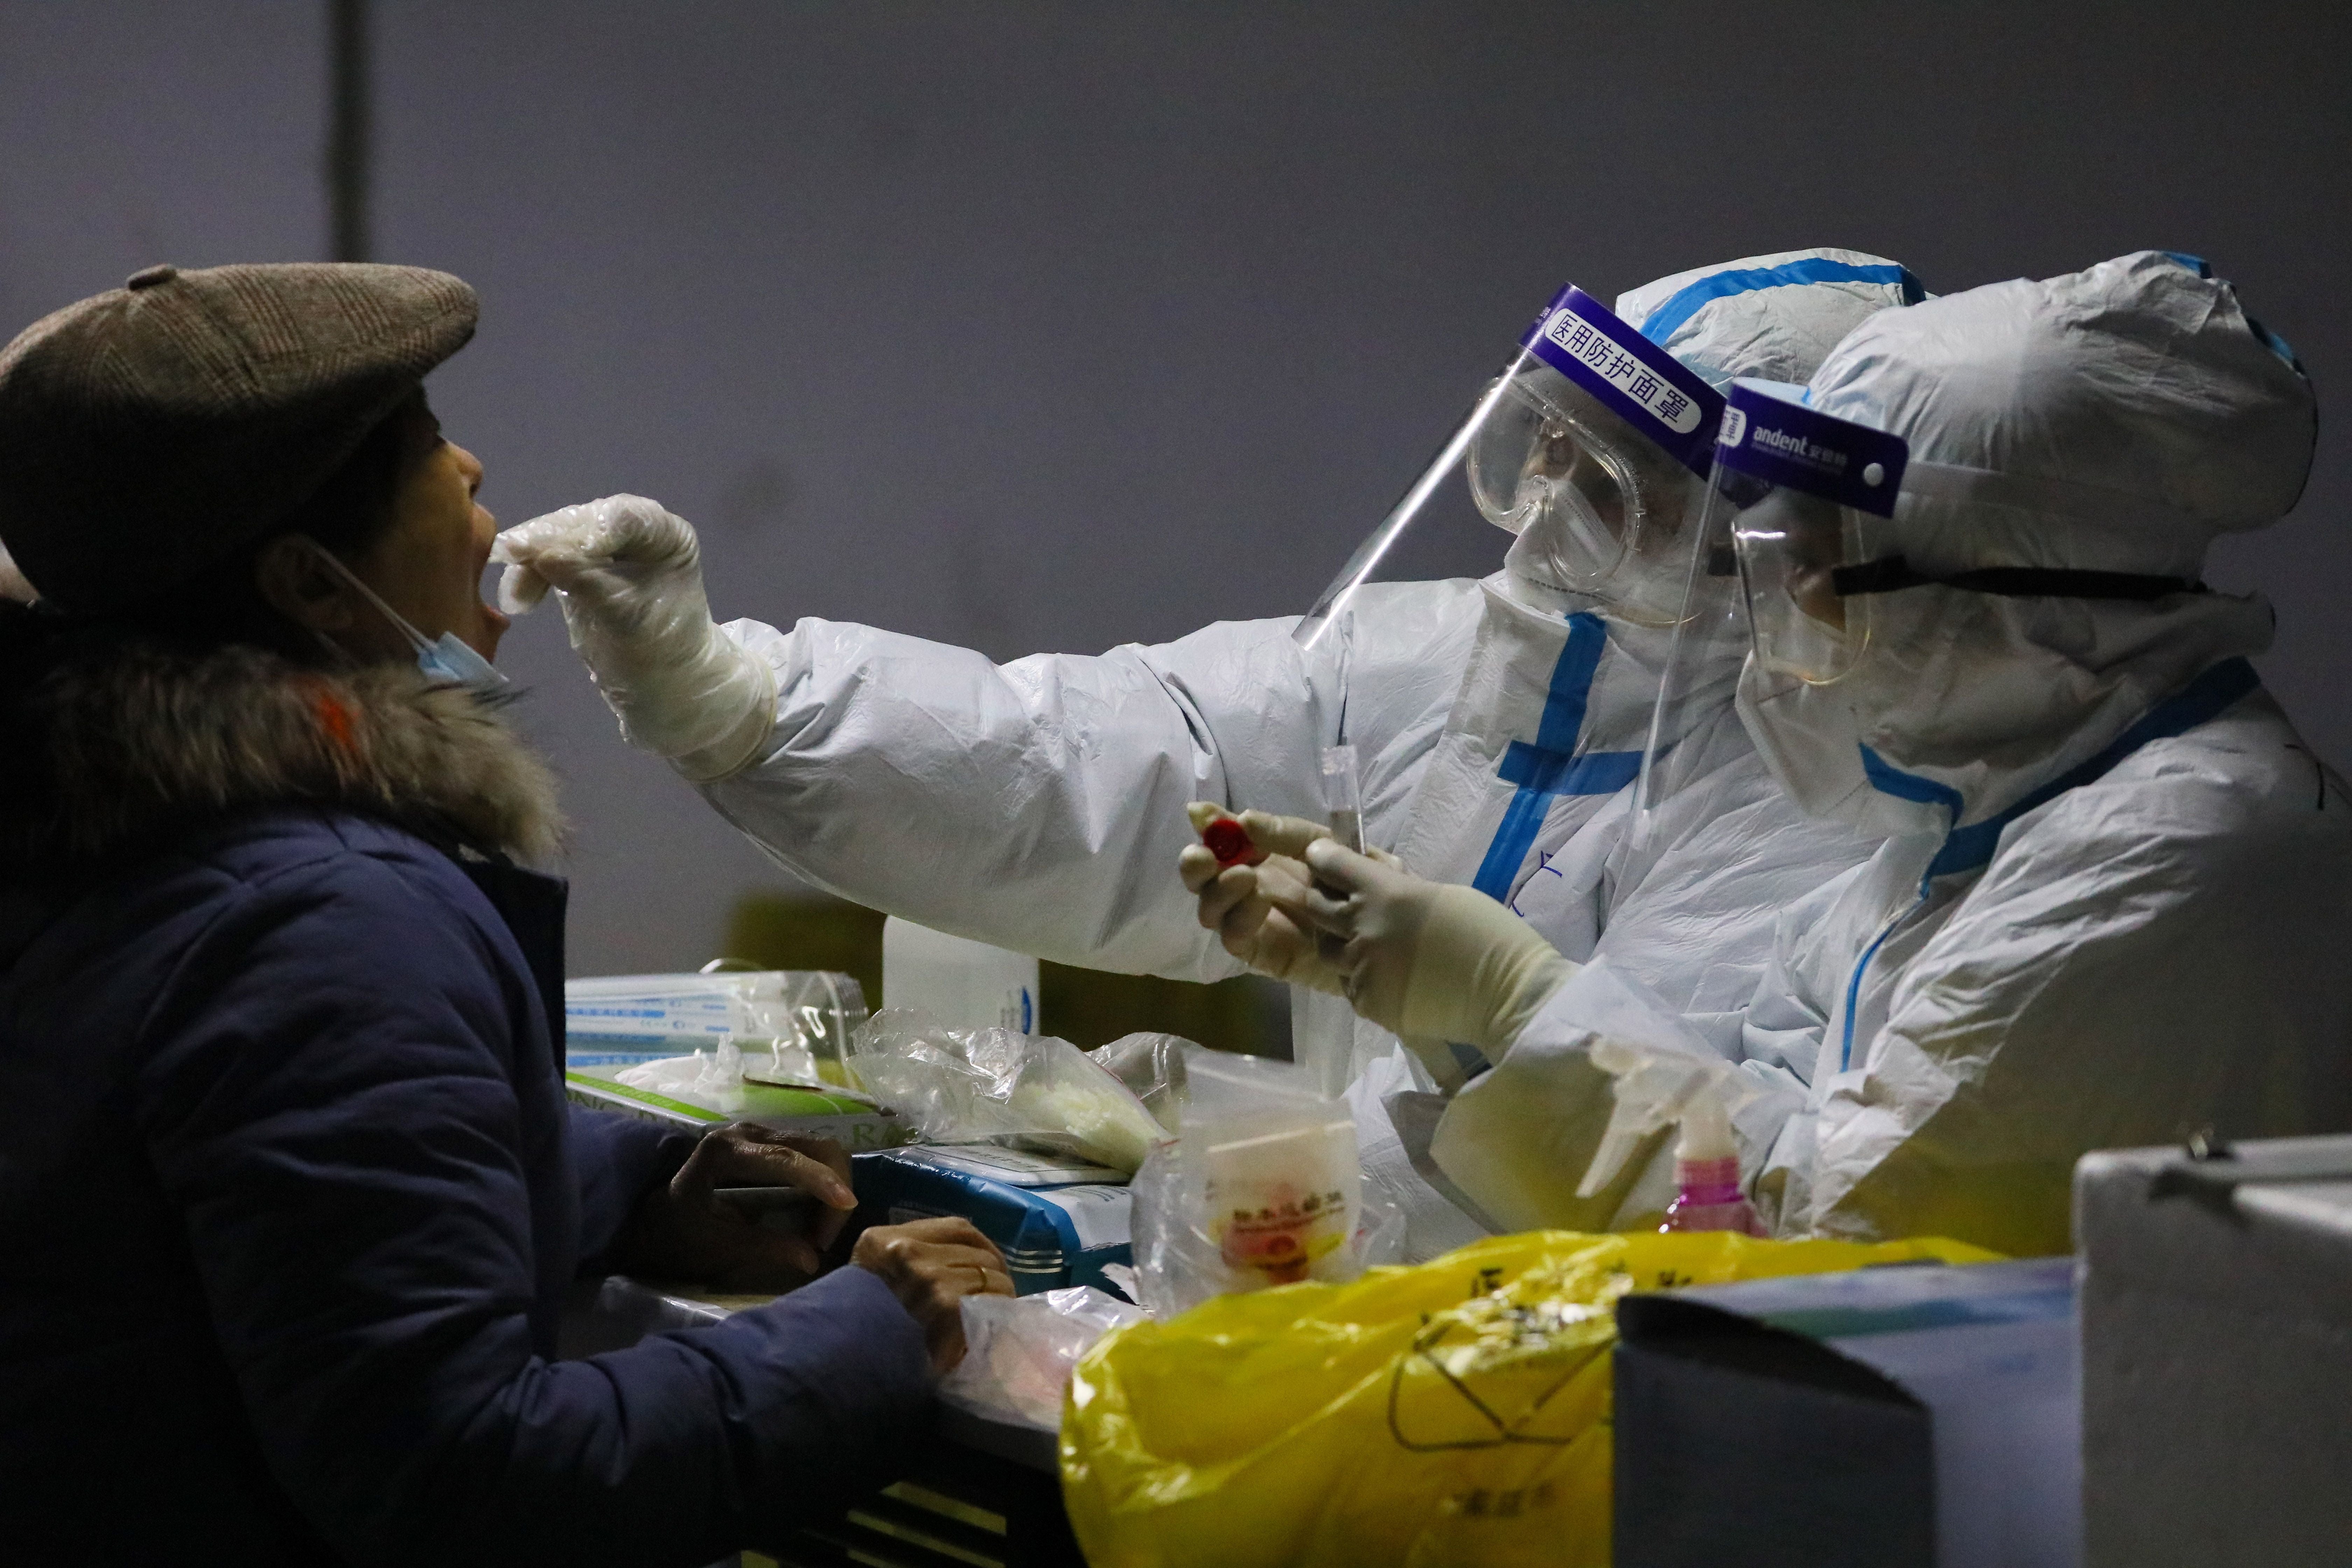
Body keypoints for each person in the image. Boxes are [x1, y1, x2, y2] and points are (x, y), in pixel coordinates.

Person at [496, 251, 1919, 1255]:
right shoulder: (1450, 660)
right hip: (1349, 1346)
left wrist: (1500, 1005)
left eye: (1622, 487)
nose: (1548, 507)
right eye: (1546, 448)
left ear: (1773, 525)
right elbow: (1087, 770)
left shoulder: (1859, 793)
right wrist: (740, 692)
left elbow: (1783, 1193)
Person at [0, 263, 1011, 1564]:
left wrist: (626, 1182)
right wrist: (869, 1330)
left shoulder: (99, 828)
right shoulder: (320, 920)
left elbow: (241, 1206)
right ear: (311, 584)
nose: (472, 470)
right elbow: (470, 1479)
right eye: (425, 447)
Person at [1206, 251, 2352, 1258]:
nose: (1778, 609)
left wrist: (1514, 1001)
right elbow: (1746, 1125)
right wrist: (1452, 1012)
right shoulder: (1961, 831)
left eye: (1820, 556)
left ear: (2021, 591)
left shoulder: (2177, 858)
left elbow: (1836, 1237)